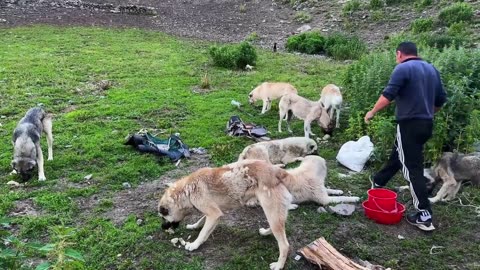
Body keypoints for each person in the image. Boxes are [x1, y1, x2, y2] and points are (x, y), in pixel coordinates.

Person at [364, 41, 447, 231]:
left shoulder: (403, 68)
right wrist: (428, 112)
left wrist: (372, 112)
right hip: (426, 124)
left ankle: (423, 215)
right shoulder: (431, 69)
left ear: (399, 54)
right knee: (400, 153)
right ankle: (379, 181)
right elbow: (441, 100)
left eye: (396, 56)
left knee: (412, 169)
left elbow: (388, 94)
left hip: (409, 124)